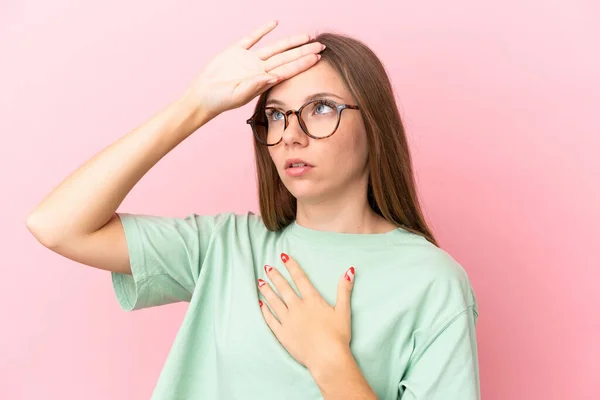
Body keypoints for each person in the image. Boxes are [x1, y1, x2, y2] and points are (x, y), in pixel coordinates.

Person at [26, 20, 480, 400]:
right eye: (276, 115)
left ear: (375, 123)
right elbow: (57, 225)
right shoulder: (223, 247)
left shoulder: (433, 282)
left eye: (320, 108)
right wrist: (195, 106)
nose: (291, 135)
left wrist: (329, 360)